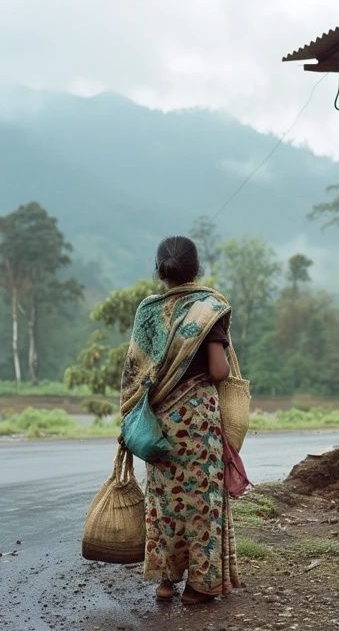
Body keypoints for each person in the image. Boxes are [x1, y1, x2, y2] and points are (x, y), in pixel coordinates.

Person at [119, 236, 242, 605]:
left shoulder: (147, 311)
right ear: (196, 269)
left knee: (164, 503)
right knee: (201, 502)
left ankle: (164, 582)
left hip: (158, 422)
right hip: (199, 425)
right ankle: (199, 586)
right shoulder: (208, 307)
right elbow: (220, 370)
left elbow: (135, 368)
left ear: (159, 271)